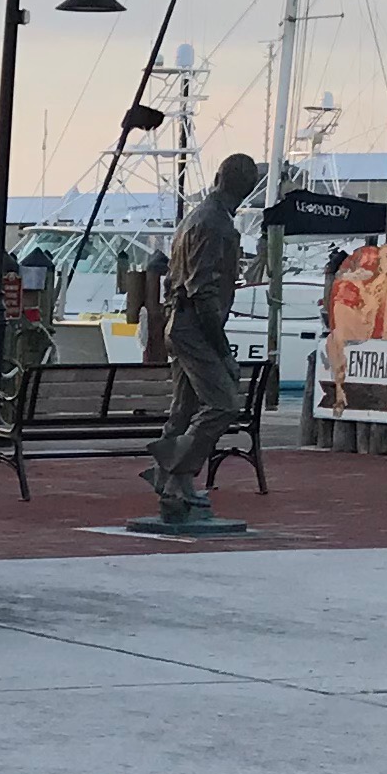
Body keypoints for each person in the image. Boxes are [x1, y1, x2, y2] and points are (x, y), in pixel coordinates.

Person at [145, 152, 263, 525]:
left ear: (217, 177)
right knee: (223, 404)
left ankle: (170, 483)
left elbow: (174, 280)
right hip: (195, 327)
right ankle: (173, 465)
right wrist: (224, 352)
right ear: (247, 189)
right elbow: (204, 293)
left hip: (178, 322)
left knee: (183, 409)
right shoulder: (217, 225)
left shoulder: (191, 220)